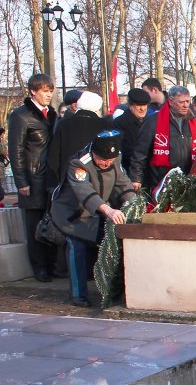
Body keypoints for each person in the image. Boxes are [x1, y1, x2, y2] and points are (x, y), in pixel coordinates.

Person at [50, 129, 137, 307]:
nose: (106, 164)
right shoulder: (79, 162)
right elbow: (85, 192)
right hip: (72, 213)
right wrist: (109, 210)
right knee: (77, 247)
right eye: (103, 160)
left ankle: (111, 291)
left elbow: (123, 183)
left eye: (110, 160)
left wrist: (135, 204)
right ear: (94, 153)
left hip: (97, 212)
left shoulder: (115, 158)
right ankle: (78, 295)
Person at [7, 72, 59, 281]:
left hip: (50, 178)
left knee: (52, 221)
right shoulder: (21, 116)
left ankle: (52, 264)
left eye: (50, 92)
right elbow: (16, 150)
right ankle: (39, 267)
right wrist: (21, 181)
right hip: (32, 177)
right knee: (34, 224)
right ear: (33, 92)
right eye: (45, 92)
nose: (48, 96)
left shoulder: (53, 114)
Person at [130, 85, 196, 195]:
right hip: (160, 183)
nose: (186, 105)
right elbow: (140, 152)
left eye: (188, 101)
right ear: (171, 101)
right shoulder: (153, 121)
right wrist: (136, 178)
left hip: (189, 182)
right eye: (181, 102)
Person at [46, 91, 108, 185]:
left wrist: (53, 183)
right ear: (97, 109)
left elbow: (54, 156)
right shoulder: (104, 125)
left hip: (68, 178)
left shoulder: (64, 124)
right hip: (96, 179)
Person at [112, 88, 151, 182]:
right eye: (138, 105)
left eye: (144, 105)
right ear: (130, 105)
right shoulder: (120, 123)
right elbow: (121, 150)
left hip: (149, 172)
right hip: (129, 172)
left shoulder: (150, 121)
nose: (142, 108)